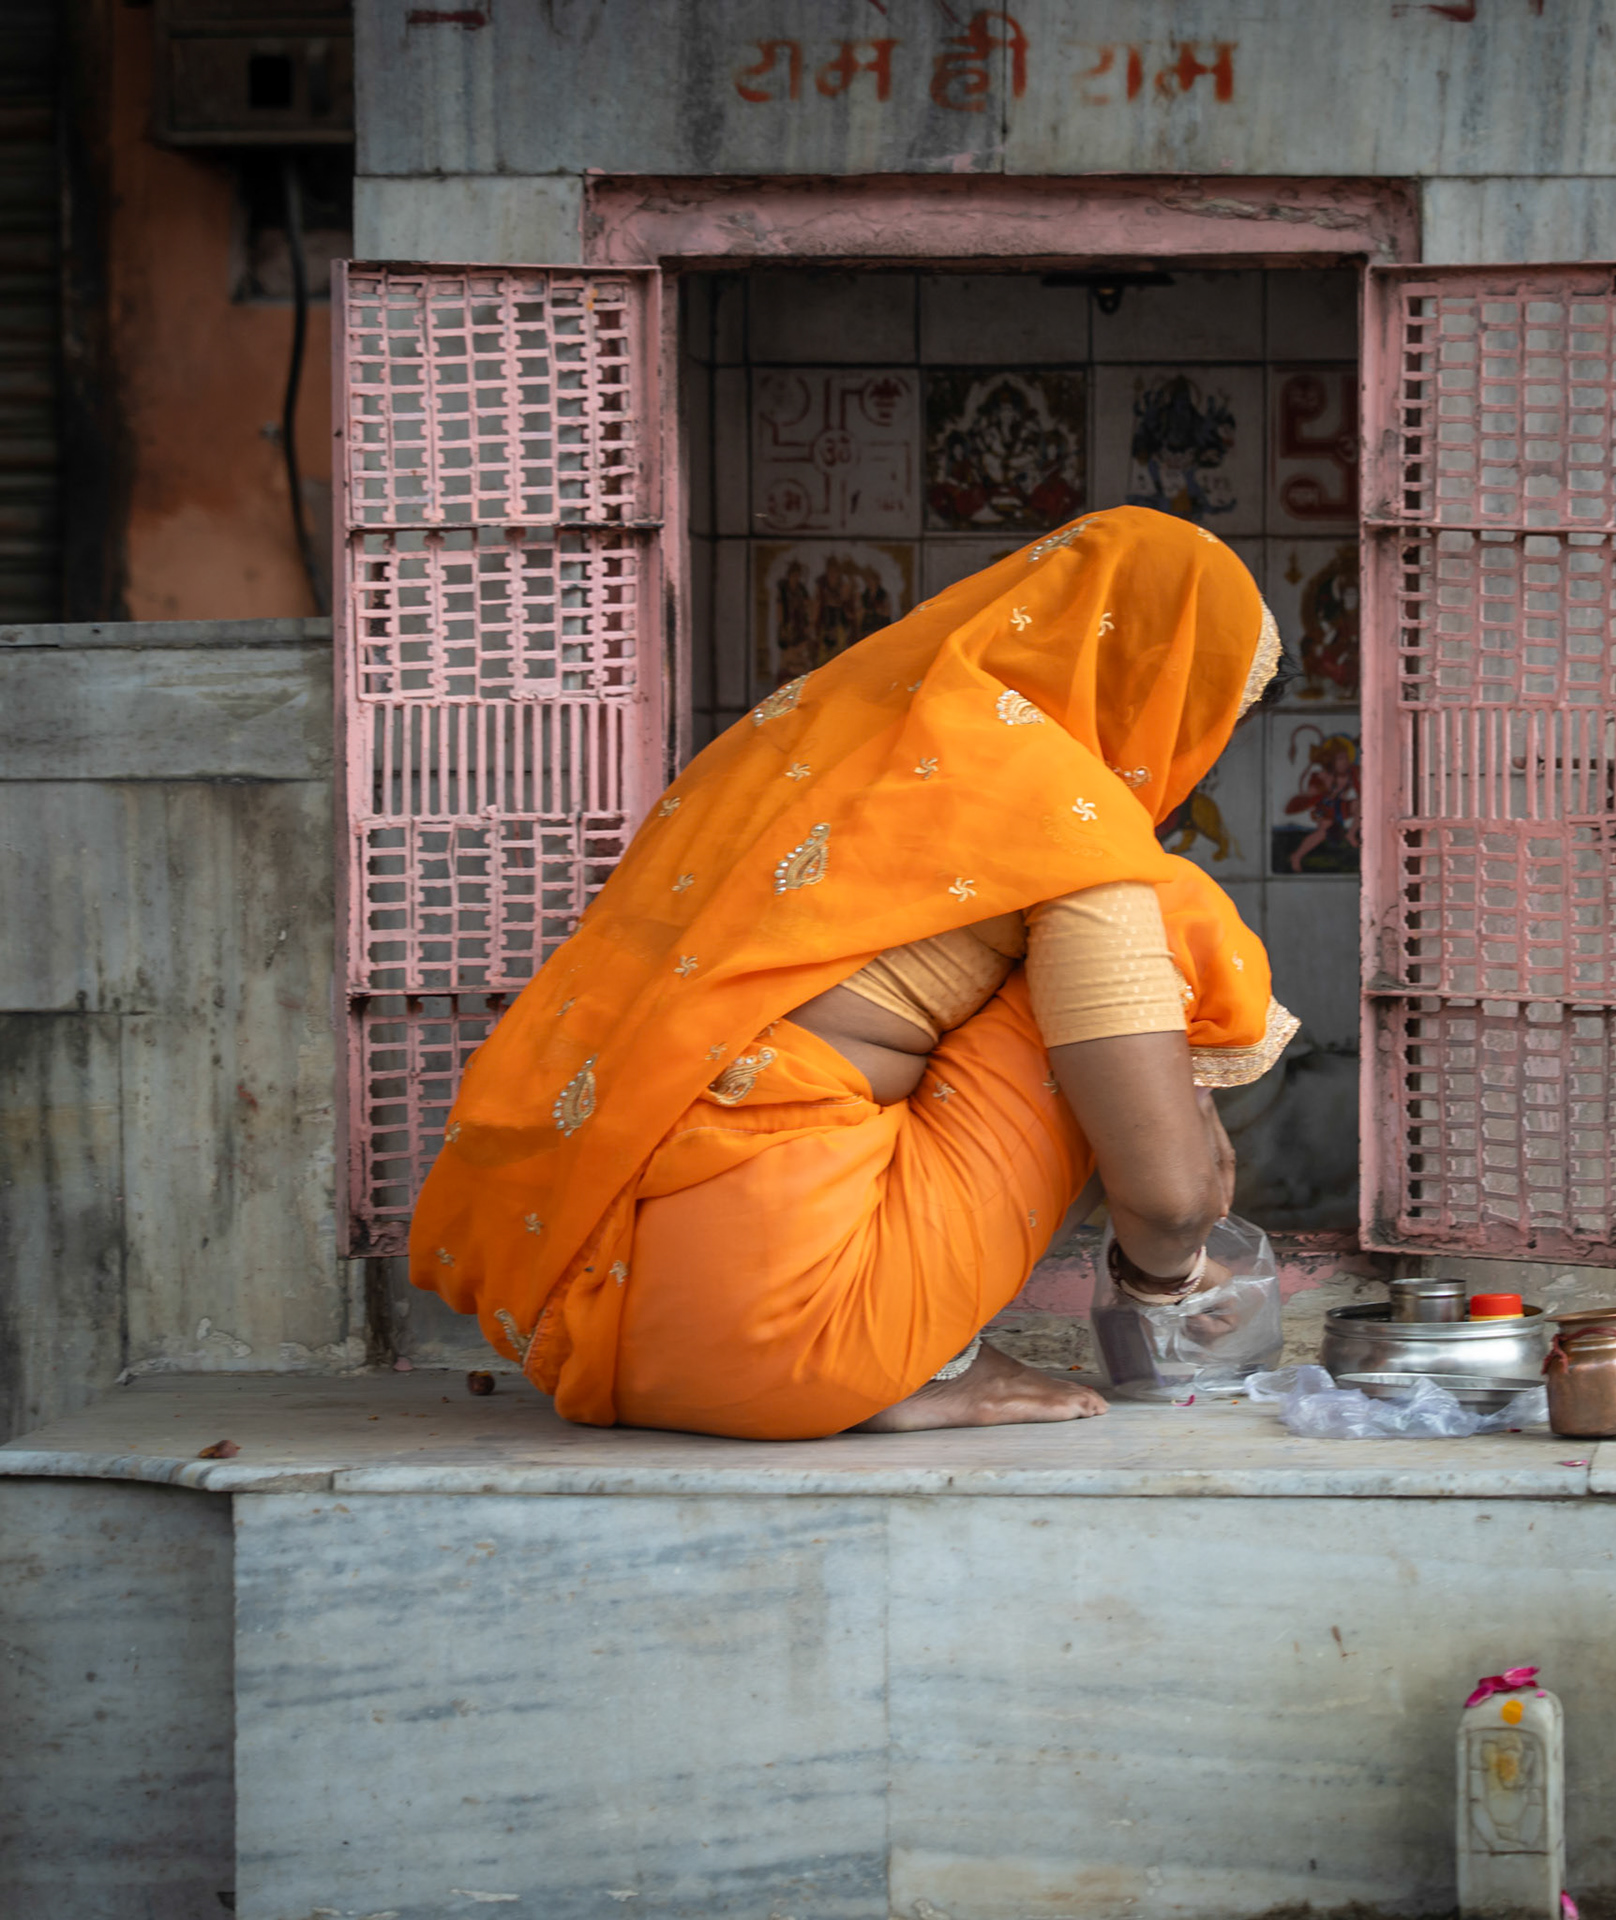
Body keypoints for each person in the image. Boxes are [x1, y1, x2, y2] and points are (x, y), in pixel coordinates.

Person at [411, 507, 1295, 1440]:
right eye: (1209, 723)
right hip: (799, 1343)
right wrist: (1175, 1270)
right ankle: (923, 1359)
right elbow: (1164, 1199)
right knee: (1160, 918)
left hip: (594, 1328)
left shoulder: (813, 739)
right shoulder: (1065, 814)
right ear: (1160, 690)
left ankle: (891, 1331)